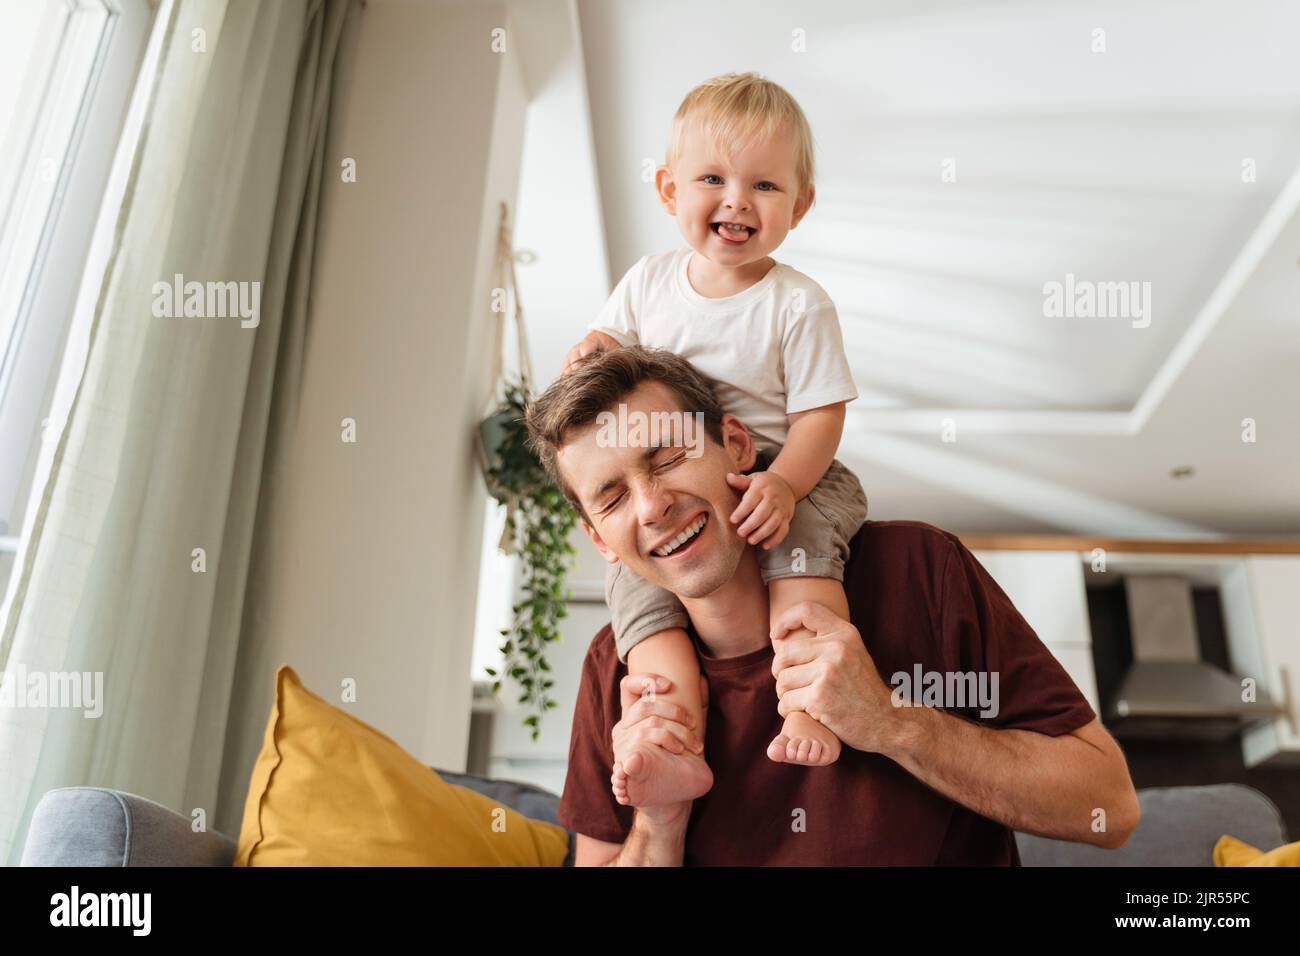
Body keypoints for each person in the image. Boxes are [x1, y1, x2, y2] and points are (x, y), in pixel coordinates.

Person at [525, 346, 1140, 865]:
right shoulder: (615, 667)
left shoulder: (919, 568)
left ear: (737, 446)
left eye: (667, 458)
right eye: (611, 499)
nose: (652, 505)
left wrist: (889, 721)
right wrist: (660, 822)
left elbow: (1108, 809)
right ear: (599, 539)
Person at [562, 72, 866, 773]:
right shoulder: (649, 280)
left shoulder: (798, 303)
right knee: (639, 594)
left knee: (804, 560)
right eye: (712, 179)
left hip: (789, 465)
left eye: (765, 186)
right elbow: (609, 342)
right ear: (670, 191)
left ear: (801, 204)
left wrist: (785, 484)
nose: (737, 200)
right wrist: (593, 351)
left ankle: (808, 702)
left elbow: (821, 415)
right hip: (691, 461)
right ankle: (673, 732)